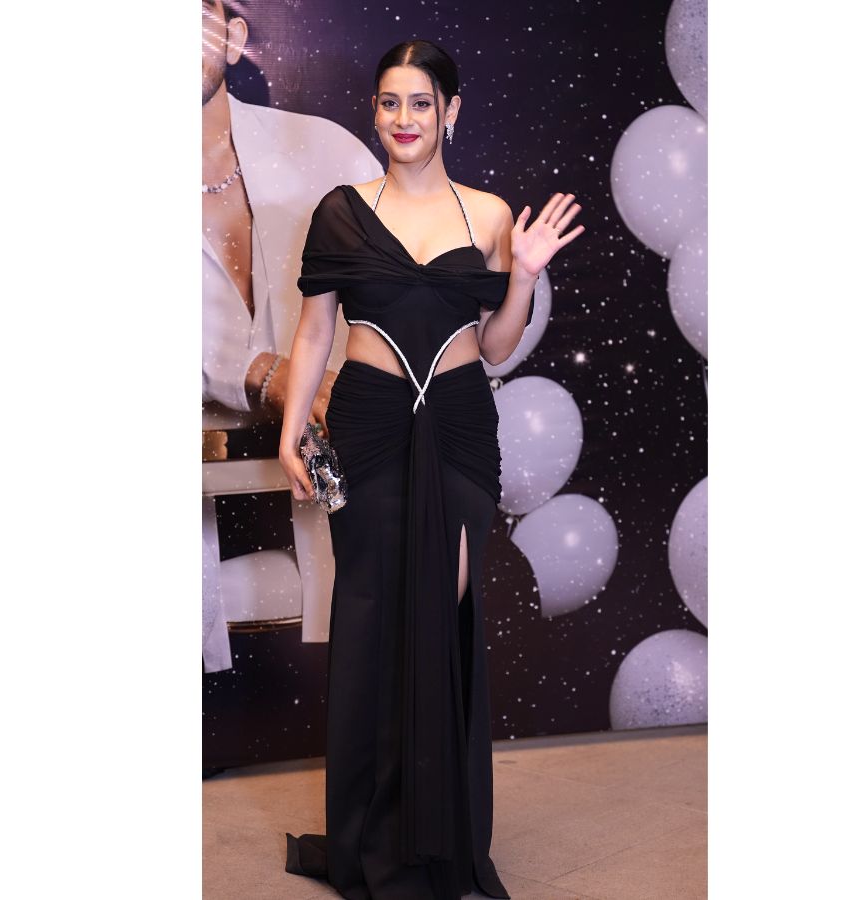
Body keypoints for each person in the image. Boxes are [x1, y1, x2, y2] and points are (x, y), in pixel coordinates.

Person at [278, 39, 584, 899]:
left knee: (439, 618)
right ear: (374, 112)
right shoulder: (341, 210)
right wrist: (292, 432)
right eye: (389, 102)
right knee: (373, 617)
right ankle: (369, 840)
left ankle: (438, 840)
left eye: (420, 102)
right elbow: (314, 332)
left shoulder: (488, 214)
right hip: (367, 425)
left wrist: (523, 277)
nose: (403, 119)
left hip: (457, 428)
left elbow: (496, 346)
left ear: (450, 110)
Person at [201, 0, 382, 673]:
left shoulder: (326, 150)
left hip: (343, 460)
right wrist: (261, 372)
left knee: (375, 633)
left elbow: (403, 288)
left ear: (234, 36)